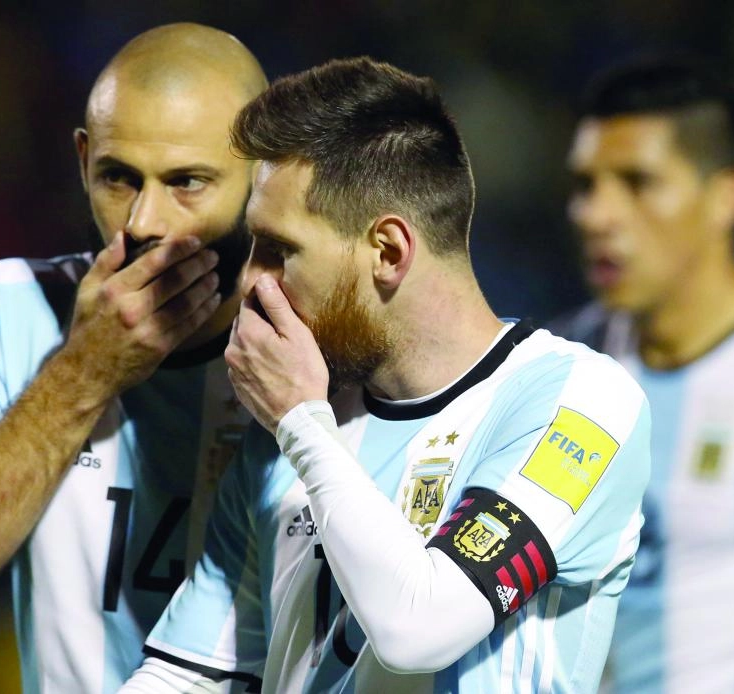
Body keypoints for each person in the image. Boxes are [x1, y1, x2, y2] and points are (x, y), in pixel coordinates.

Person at [121, 57, 651, 693]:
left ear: (389, 252)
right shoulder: (293, 425)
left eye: (279, 250)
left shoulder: (582, 404)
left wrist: (300, 424)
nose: (249, 281)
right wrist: (299, 423)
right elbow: (189, 674)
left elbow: (420, 628)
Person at [0, 23, 267, 693]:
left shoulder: (330, 342)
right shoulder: (16, 305)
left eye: (188, 183)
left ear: (267, 173)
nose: (144, 221)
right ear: (84, 160)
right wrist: (84, 373)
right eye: (119, 178)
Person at [552, 56, 734, 693]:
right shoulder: (557, 368)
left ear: (725, 198)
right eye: (587, 185)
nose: (596, 215)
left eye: (638, 182)